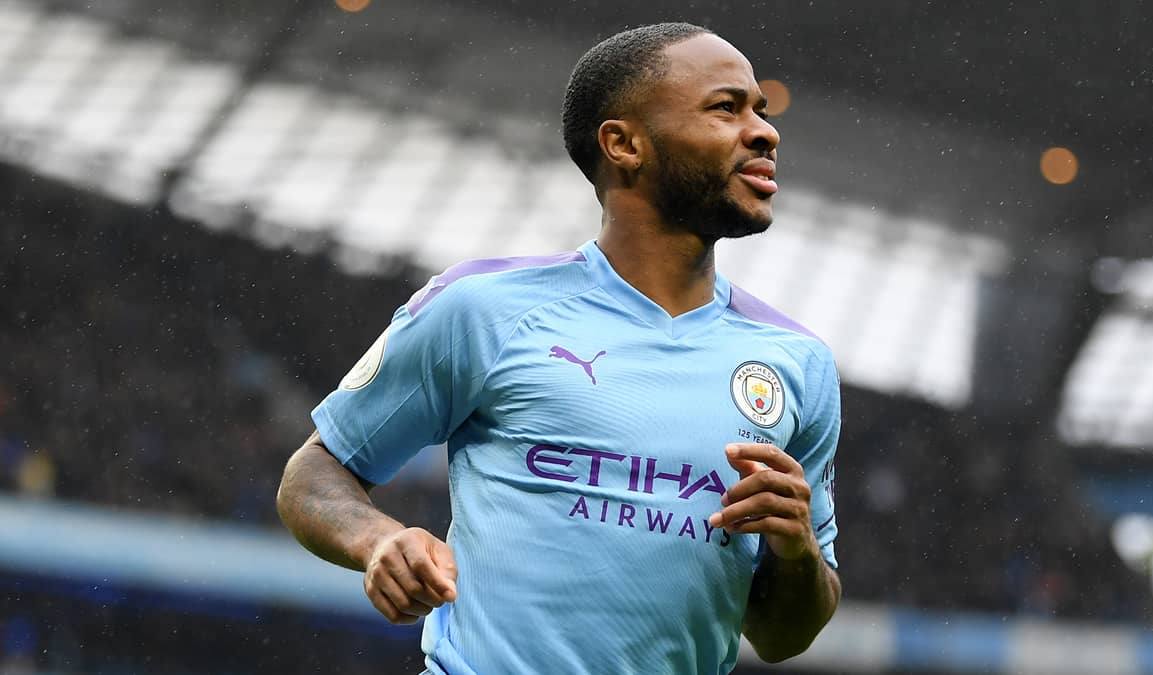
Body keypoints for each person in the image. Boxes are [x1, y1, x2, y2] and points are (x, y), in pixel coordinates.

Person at [277, 22, 842, 674]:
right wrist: (378, 540)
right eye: (727, 107)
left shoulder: (795, 362)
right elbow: (315, 473)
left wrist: (795, 552)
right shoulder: (482, 308)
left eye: (761, 112)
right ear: (625, 144)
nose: (765, 132)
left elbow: (780, 637)